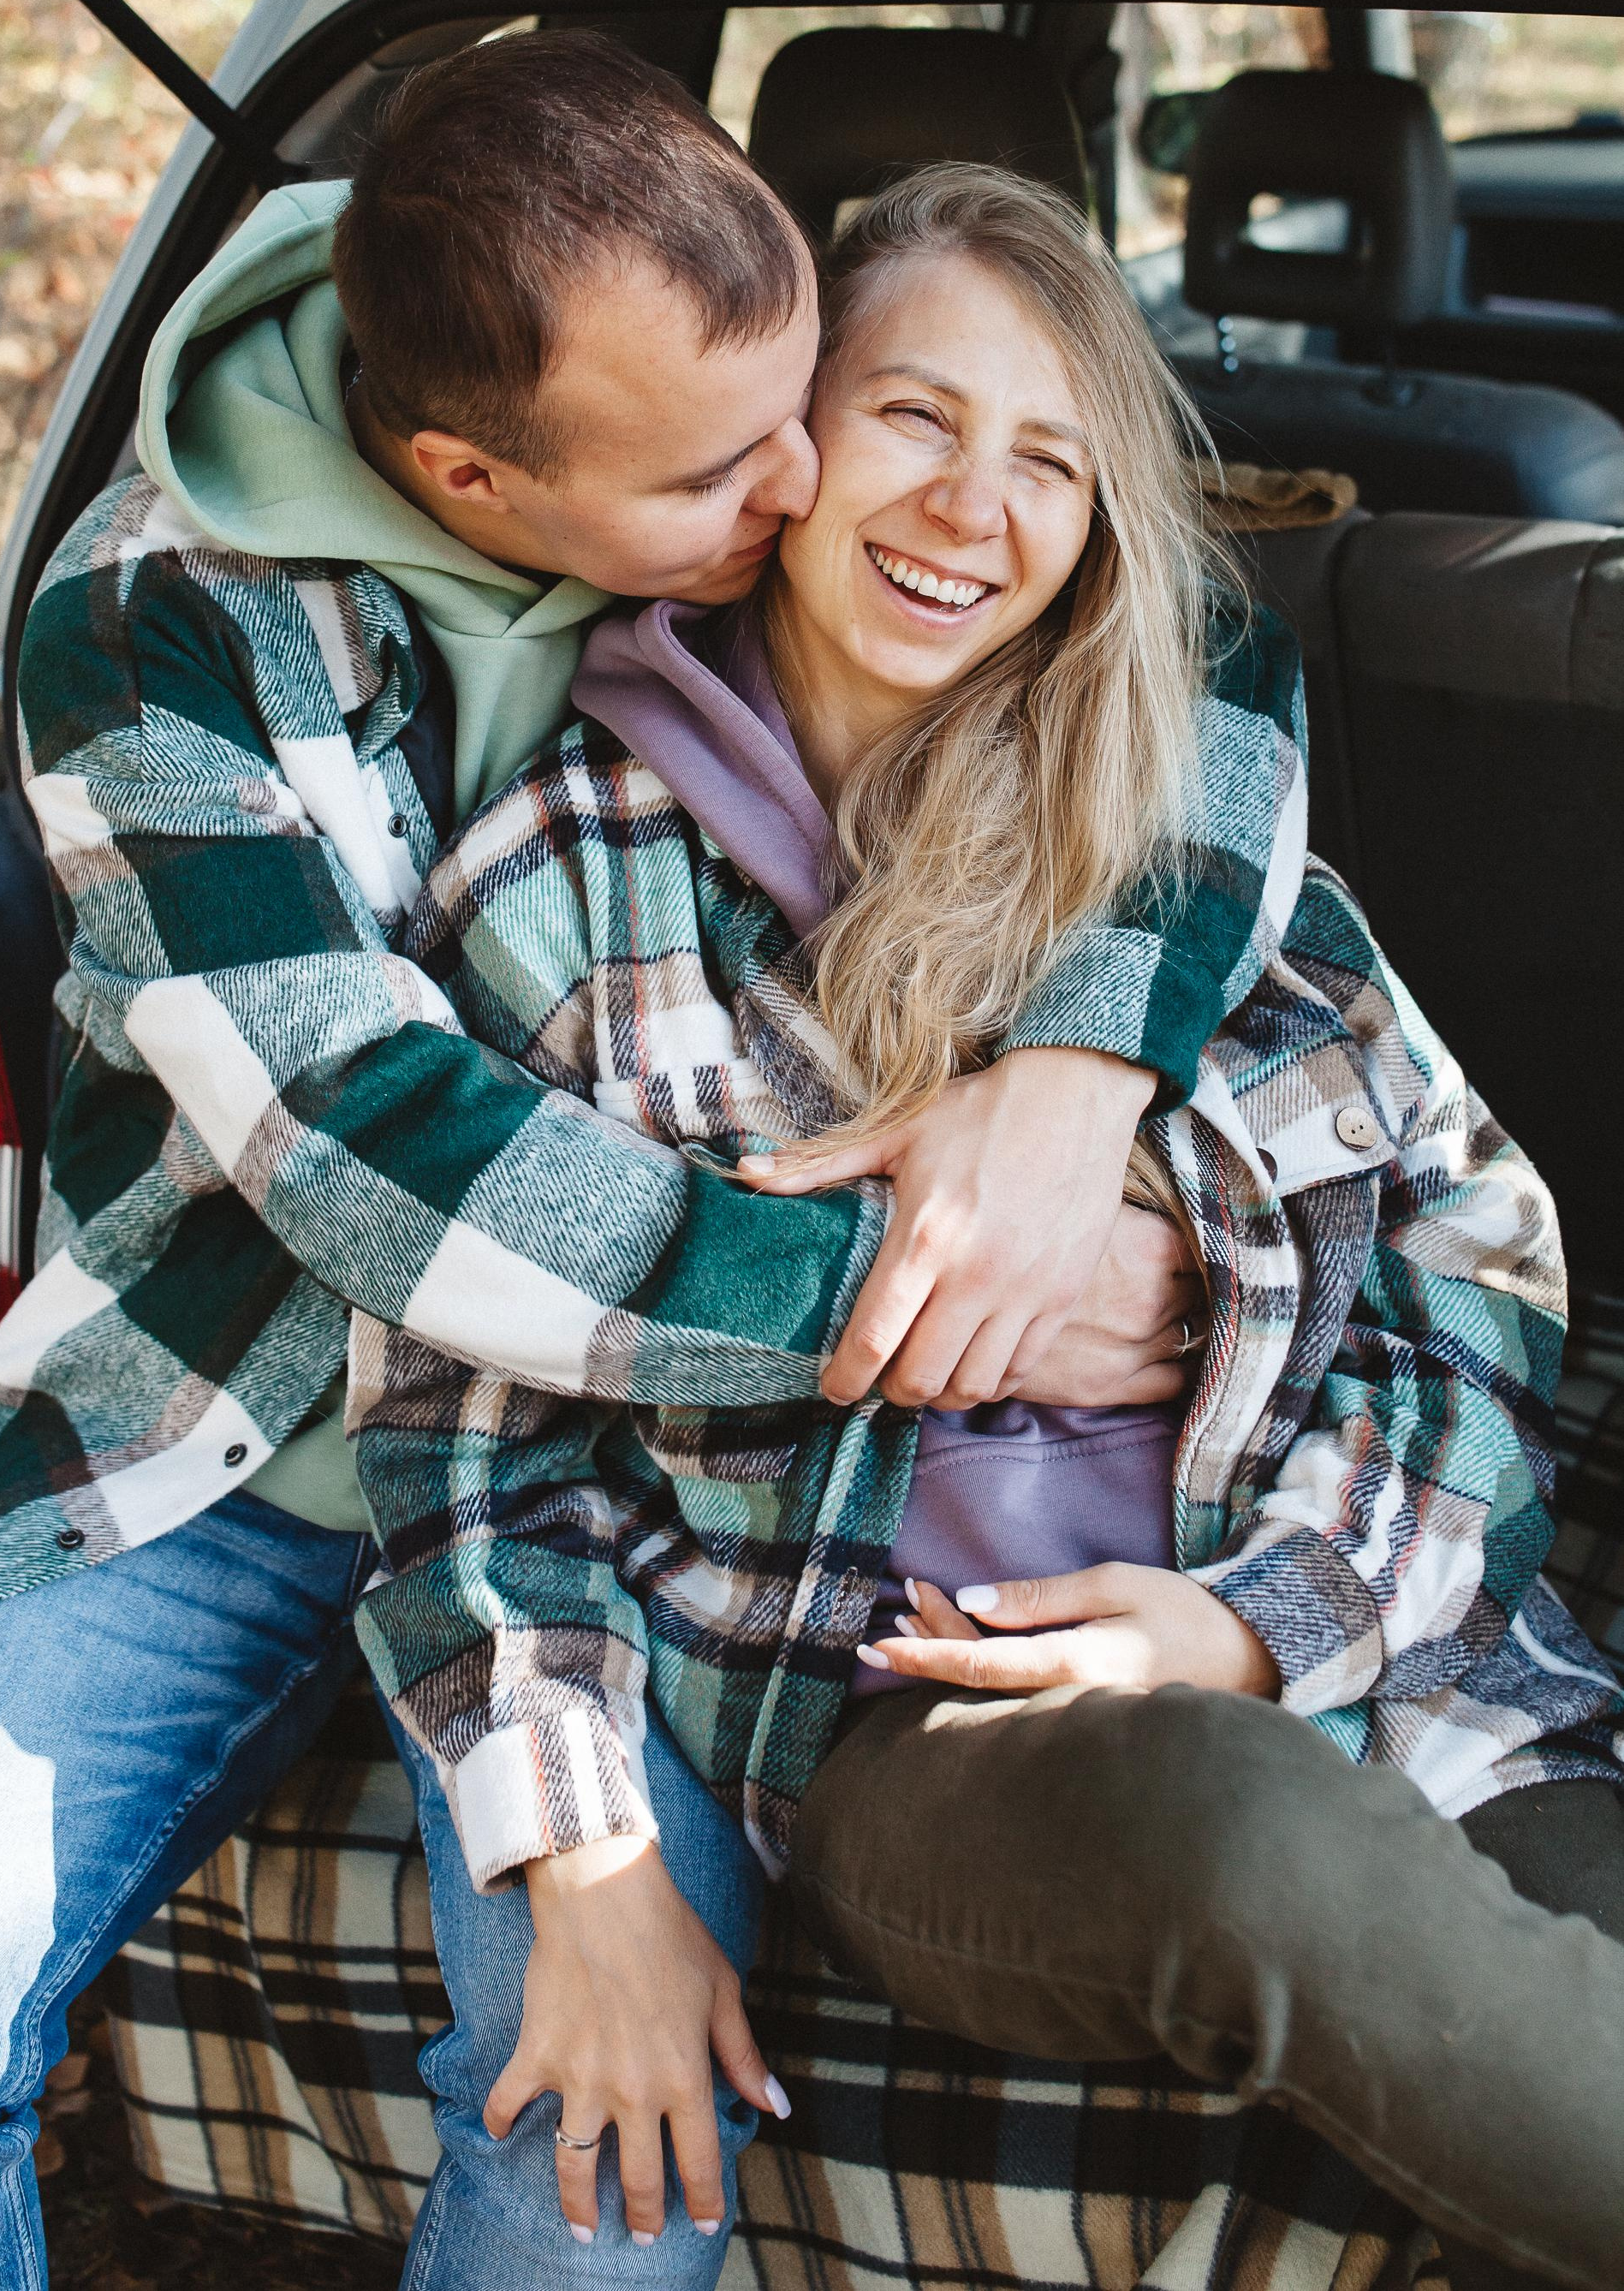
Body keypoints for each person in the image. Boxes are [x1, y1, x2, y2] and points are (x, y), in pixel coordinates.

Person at [0, 37, 1308, 2290]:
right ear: (475, 477)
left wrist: (1071, 1068)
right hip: (233, 1428)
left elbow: (1202, 641)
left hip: (628, 1483)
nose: (804, 486)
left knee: (591, 2124)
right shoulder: (161, 633)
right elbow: (364, 1149)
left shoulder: (707, 375)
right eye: (720, 473)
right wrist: (911, 1294)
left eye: (808, 411)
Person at [357, 158, 1624, 2291]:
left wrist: (1257, 1620)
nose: (972, 510)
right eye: (919, 418)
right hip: (905, 1711)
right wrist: (576, 1841)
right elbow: (462, 1462)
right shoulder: (560, 878)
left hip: (1383, 1641)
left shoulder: (1184, 833)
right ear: (783, 448)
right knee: (1236, 1832)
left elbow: (1473, 1270)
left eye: (1049, 459)